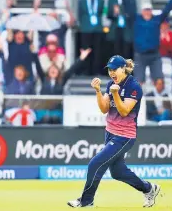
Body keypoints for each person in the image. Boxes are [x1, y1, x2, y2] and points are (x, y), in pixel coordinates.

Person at [67, 55, 160, 208]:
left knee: (95, 164)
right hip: (110, 132)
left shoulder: (134, 87)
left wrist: (115, 94)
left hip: (124, 136)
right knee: (117, 172)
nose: (111, 73)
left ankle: (86, 200)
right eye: (109, 70)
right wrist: (98, 91)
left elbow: (124, 111)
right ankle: (149, 189)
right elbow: (104, 109)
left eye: (114, 69)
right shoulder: (111, 83)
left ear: (123, 68)